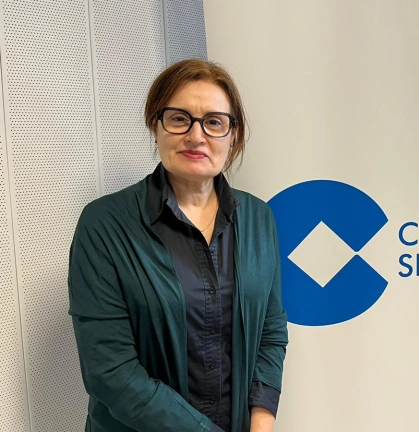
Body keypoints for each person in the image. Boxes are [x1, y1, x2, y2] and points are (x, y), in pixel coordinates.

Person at [68, 59, 288, 432]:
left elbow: (271, 330)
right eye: (179, 118)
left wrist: (261, 423)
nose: (196, 136)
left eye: (214, 122)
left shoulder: (258, 218)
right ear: (156, 126)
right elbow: (110, 371)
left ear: (233, 134)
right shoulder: (104, 223)